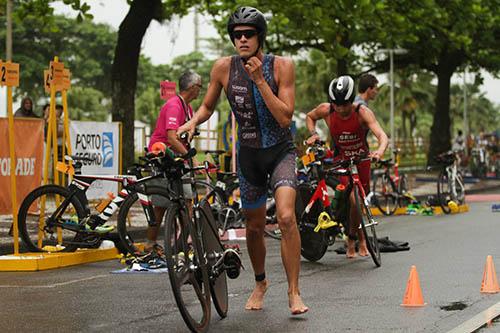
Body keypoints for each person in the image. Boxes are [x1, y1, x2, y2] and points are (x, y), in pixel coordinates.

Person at [177, 6, 308, 315]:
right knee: (254, 226)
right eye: (237, 35)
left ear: (260, 37)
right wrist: (193, 122)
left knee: (287, 217)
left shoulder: (282, 67)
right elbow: (207, 106)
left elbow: (285, 117)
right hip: (248, 156)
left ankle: (293, 291)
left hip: (280, 152)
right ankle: (261, 282)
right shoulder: (223, 68)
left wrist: (260, 80)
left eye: (249, 34)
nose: (243, 40)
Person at [305, 75, 389, 258]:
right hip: (342, 161)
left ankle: (356, 238)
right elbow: (310, 117)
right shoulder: (327, 110)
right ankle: (353, 238)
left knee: (356, 201)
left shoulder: (362, 112)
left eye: (345, 104)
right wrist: (313, 134)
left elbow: (382, 135)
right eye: (337, 104)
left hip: (362, 161)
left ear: (352, 101)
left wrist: (379, 152)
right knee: (352, 200)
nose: (341, 109)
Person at [146, 71, 203, 255]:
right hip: (162, 156)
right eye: (200, 87)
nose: (200, 91)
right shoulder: (174, 106)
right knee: (160, 205)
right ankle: (150, 244)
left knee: (187, 201)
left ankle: (181, 245)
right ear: (192, 87)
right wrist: (191, 157)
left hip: (178, 158)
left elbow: (183, 134)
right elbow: (171, 137)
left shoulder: (189, 108)